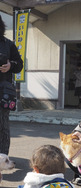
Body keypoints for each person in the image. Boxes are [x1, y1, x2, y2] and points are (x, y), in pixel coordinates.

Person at [0, 15, 23, 155]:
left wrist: (10, 65)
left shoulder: (8, 44)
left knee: (2, 126)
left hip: (3, 93)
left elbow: (19, 65)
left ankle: (2, 158)